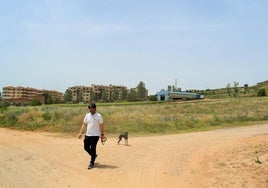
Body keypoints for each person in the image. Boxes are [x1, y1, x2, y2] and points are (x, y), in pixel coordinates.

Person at [78, 103, 105, 169]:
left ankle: (92, 162)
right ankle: (94, 155)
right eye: (90, 108)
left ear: (95, 108)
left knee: (93, 148)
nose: (91, 109)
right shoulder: (87, 115)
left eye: (92, 108)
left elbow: (101, 126)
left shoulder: (99, 116)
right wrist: (80, 133)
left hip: (95, 135)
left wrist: (102, 135)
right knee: (86, 147)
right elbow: (84, 124)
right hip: (88, 134)